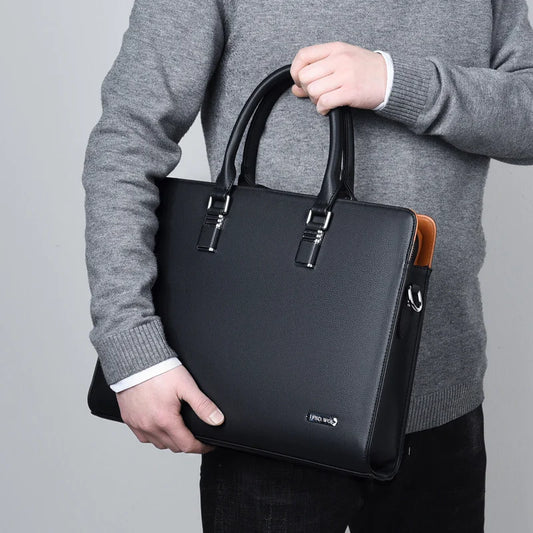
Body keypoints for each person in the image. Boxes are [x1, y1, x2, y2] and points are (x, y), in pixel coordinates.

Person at [81, 0, 533, 531]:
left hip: (440, 399)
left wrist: (396, 82)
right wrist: (132, 349)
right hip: (269, 406)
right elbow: (128, 140)